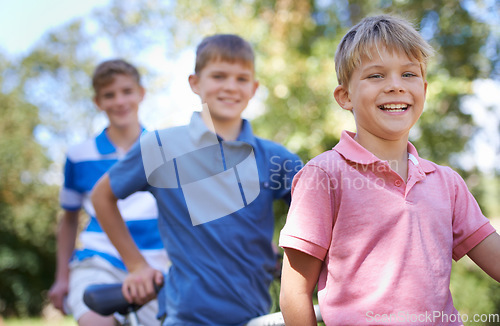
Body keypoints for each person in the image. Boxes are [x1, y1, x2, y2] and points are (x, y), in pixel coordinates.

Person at [279, 14, 500, 326]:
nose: (396, 86)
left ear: (424, 89)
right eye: (376, 76)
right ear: (345, 96)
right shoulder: (324, 176)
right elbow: (294, 293)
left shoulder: (447, 183)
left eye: (408, 74)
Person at [91, 34, 302, 325]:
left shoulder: (277, 158)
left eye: (241, 79)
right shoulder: (160, 147)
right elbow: (101, 197)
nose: (230, 86)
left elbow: (323, 215)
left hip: (255, 315)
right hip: (186, 316)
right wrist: (136, 265)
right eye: (218, 76)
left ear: (254, 88)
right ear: (195, 83)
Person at [48, 59, 169, 326]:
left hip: (156, 264)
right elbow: (69, 219)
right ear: (97, 102)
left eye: (127, 91)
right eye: (109, 95)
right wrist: (62, 277)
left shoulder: (164, 148)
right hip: (99, 260)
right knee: (95, 321)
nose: (119, 101)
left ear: (141, 93)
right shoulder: (79, 156)